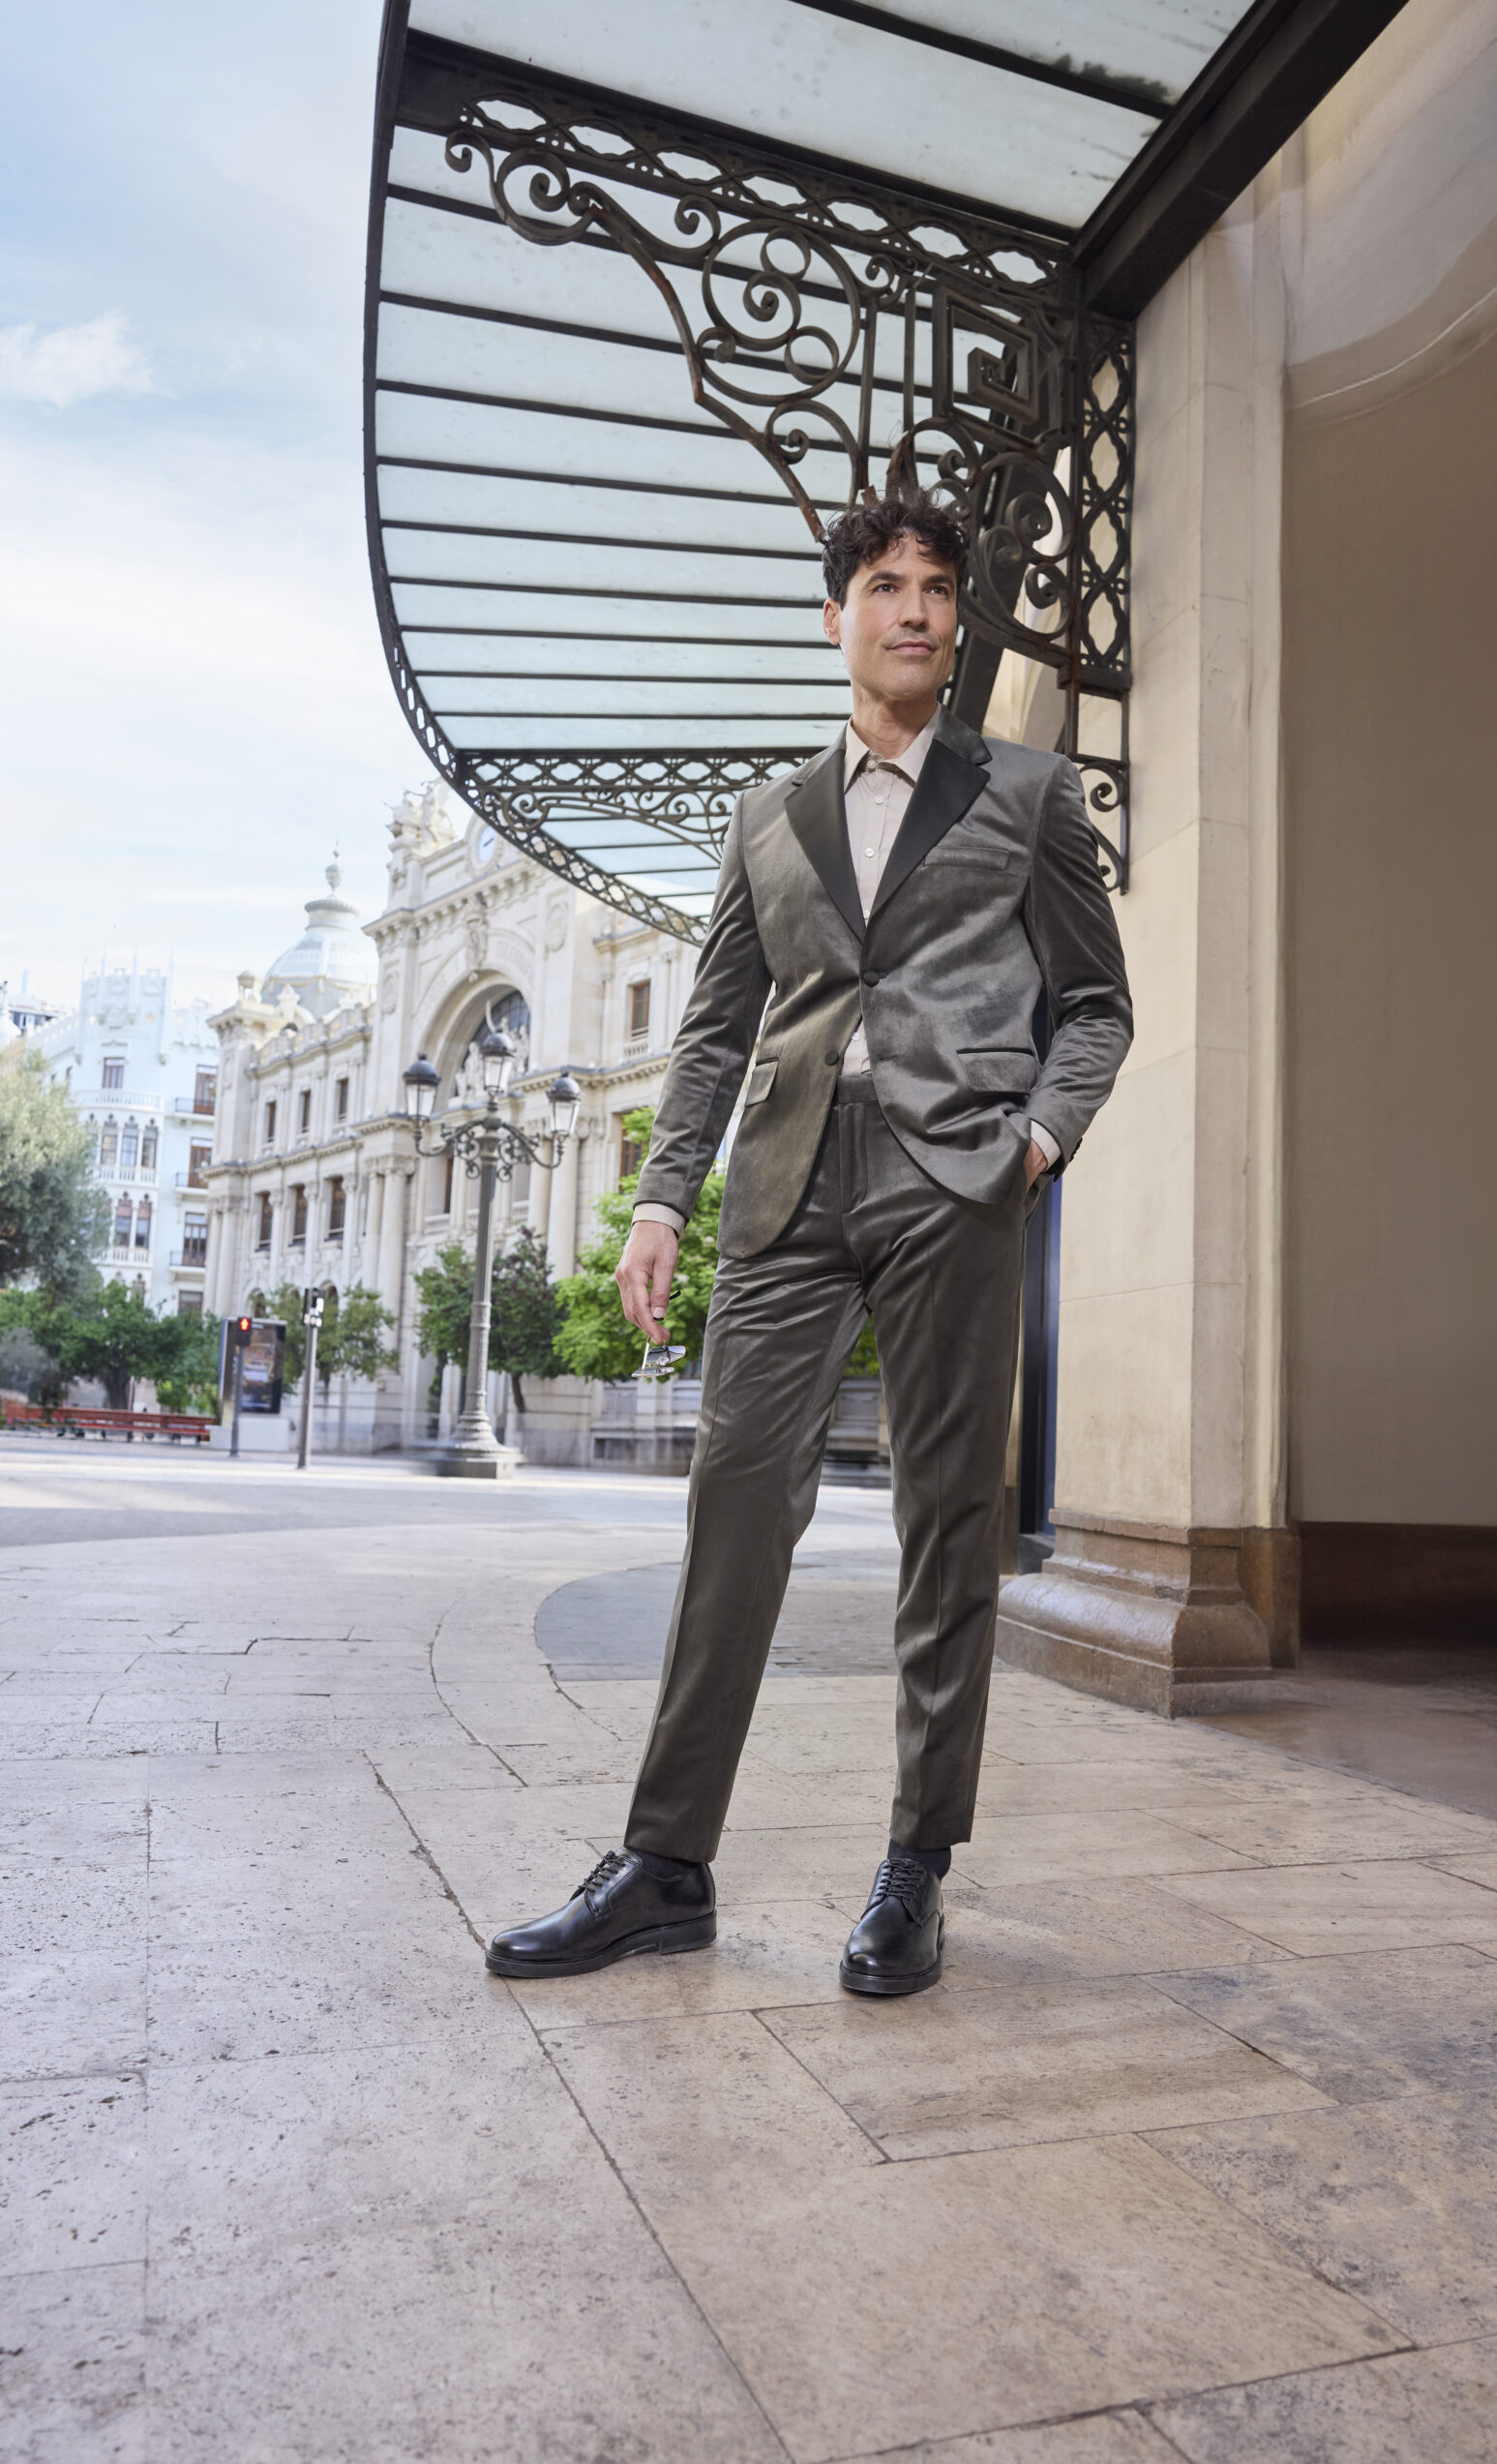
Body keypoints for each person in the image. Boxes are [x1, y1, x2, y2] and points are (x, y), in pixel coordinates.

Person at [487, 489, 1132, 1996]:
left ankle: (916, 1867)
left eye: (937, 589)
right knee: (734, 1502)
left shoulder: (1031, 792)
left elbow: (1096, 1006)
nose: (915, 609)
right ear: (835, 616)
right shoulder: (766, 816)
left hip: (956, 1173)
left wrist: (1037, 1140)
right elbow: (717, 1027)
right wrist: (662, 1199)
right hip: (787, 1186)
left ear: (955, 622)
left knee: (946, 1518)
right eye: (886, 585)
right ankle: (666, 1866)